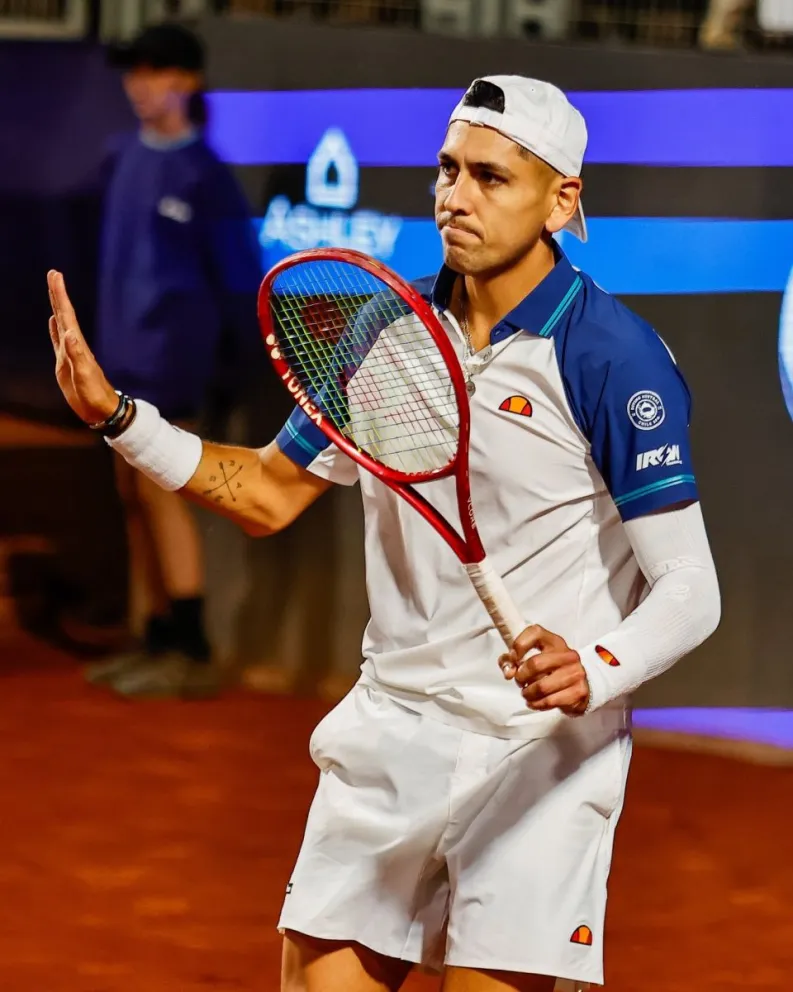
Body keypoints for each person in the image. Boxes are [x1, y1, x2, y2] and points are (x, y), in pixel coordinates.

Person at [47, 75, 720, 991]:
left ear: (562, 200)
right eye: (447, 170)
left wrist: (595, 667)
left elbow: (689, 589)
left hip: (539, 758)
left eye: (490, 177)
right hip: (390, 735)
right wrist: (121, 419)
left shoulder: (613, 357)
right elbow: (267, 492)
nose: (455, 196)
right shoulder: (384, 327)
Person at [84, 23, 263, 699]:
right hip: (118, 366)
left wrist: (228, 371)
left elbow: (237, 279)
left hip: (174, 369)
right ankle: (155, 637)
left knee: (160, 495)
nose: (140, 85)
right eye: (134, 72)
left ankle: (191, 649)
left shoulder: (206, 176)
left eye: (155, 71)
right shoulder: (122, 157)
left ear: (188, 81)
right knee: (133, 497)